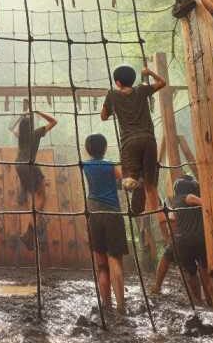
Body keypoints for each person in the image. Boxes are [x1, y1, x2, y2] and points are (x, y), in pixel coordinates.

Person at [101, 64, 165, 215]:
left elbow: (103, 116)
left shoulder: (112, 95)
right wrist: (148, 72)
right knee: (151, 184)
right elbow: (162, 82)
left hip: (129, 143)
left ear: (117, 83)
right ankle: (156, 213)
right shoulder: (142, 90)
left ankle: (136, 182)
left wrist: (114, 108)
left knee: (129, 181)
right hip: (149, 140)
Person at [82, 133, 128, 313]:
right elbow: (123, 180)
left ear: (88, 149)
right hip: (112, 213)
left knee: (101, 264)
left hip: (93, 214)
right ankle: (121, 306)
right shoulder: (110, 165)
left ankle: (106, 304)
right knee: (114, 259)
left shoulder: (84, 165)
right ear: (105, 147)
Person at [152, 175, 211, 306]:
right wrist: (207, 202)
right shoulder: (186, 197)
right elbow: (196, 200)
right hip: (198, 240)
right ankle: (209, 300)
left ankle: (200, 301)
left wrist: (170, 237)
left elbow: (171, 220)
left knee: (192, 272)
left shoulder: (176, 202)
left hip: (183, 241)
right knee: (203, 269)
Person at [10, 100, 58, 250]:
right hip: (29, 166)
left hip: (19, 165)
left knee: (36, 196)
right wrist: (37, 111)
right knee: (41, 198)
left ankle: (23, 192)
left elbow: (11, 127)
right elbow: (54, 121)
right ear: (31, 126)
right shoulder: (36, 133)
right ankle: (30, 231)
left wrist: (22, 115)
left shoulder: (21, 137)